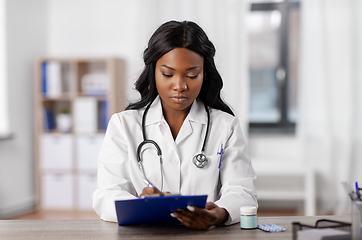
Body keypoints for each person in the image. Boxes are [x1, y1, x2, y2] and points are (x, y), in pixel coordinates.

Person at [92, 20, 257, 230]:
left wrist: (220, 213)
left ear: (204, 73)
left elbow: (242, 191)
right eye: (168, 74)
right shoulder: (123, 125)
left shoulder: (226, 126)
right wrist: (142, 205)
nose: (180, 86)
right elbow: (107, 193)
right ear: (153, 72)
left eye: (192, 75)